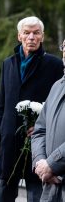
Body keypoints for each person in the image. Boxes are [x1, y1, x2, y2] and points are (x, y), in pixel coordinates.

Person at [0, 16, 64, 202]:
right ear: (19, 36)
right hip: (9, 138)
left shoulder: (54, 64)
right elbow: (2, 103)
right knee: (5, 187)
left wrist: (43, 128)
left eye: (36, 33)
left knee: (35, 187)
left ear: (42, 36)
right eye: (27, 33)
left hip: (37, 139)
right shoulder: (8, 63)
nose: (31, 37)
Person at [31, 39, 65, 202]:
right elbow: (40, 130)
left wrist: (52, 164)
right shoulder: (57, 86)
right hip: (52, 184)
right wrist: (40, 162)